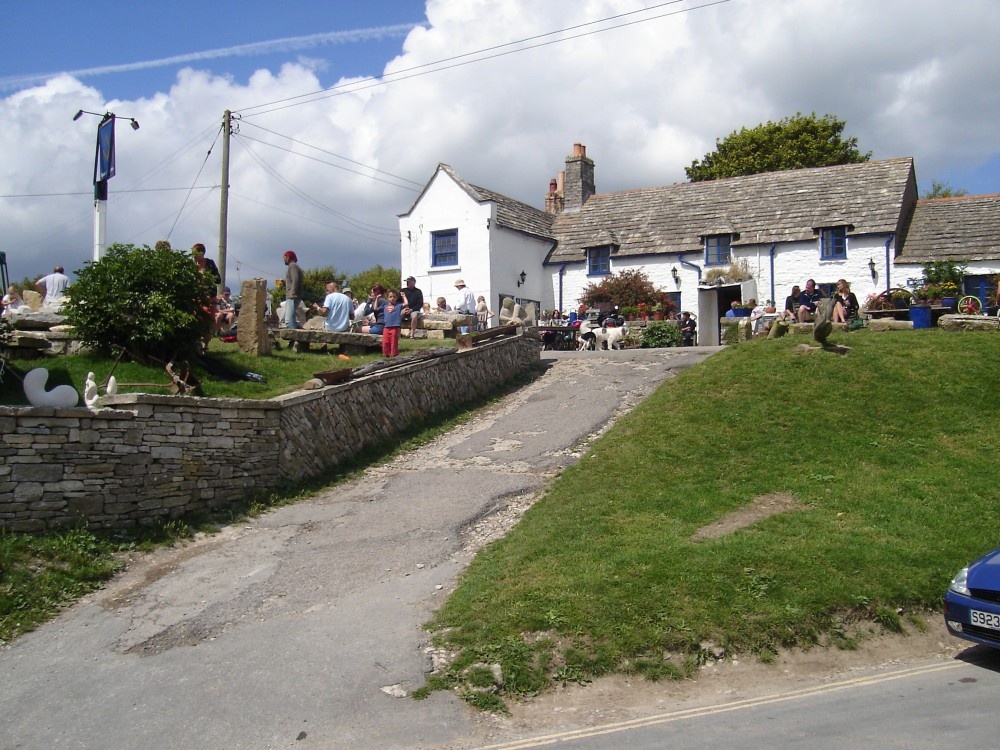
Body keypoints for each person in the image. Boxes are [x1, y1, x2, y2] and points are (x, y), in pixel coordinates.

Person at [282, 250, 304, 330]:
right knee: (292, 319)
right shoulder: (295, 266)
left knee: (288, 320)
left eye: (284, 257)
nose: (283, 259)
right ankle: (299, 337)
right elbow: (294, 280)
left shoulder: (292, 266)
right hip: (295, 295)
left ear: (288, 257)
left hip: (292, 296)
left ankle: (295, 338)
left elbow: (296, 279)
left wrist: (292, 293)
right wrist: (285, 283)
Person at [381, 289, 402, 357]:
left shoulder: (398, 306)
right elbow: (375, 308)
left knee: (393, 342)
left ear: (396, 298)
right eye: (390, 297)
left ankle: (394, 354)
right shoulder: (385, 306)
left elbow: (406, 303)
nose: (392, 298)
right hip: (386, 327)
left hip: (394, 327)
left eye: (394, 297)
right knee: (385, 342)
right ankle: (386, 354)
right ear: (387, 298)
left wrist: (403, 296)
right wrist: (376, 299)